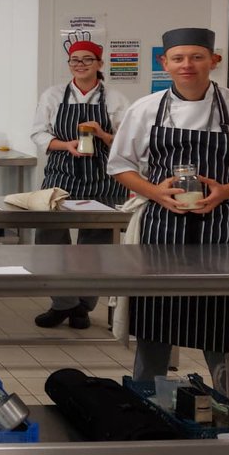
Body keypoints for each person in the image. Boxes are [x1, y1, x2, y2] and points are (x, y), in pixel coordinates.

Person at [108, 27, 229, 383]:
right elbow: (119, 165)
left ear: (213, 60)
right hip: (161, 229)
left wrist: (225, 191)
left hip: (221, 230)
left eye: (196, 57)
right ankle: (147, 400)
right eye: (178, 58)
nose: (187, 65)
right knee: (155, 321)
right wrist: (154, 192)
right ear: (165, 63)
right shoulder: (146, 109)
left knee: (224, 322)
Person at [29, 40, 131, 329]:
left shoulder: (116, 100)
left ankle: (83, 306)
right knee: (50, 239)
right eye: (75, 60)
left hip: (103, 179)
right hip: (61, 174)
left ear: (100, 64)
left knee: (95, 245)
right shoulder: (53, 95)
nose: (80, 64)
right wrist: (66, 145)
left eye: (87, 59)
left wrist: (103, 135)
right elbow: (38, 134)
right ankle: (64, 303)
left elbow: (128, 141)